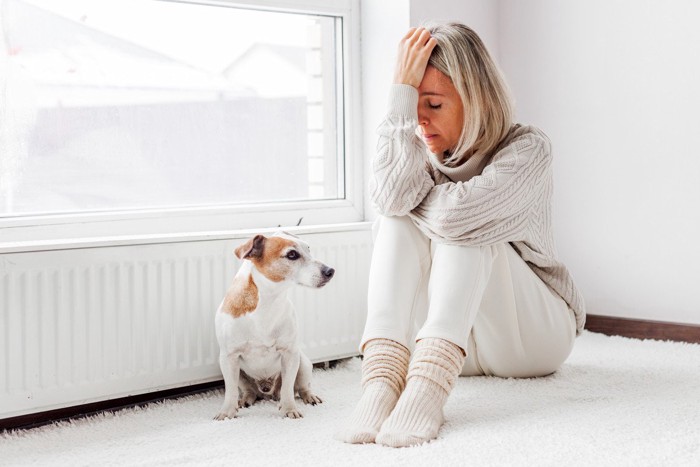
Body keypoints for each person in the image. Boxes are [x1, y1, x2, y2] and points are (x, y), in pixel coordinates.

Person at [336, 23, 585, 448]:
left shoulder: (527, 148)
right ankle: (381, 379)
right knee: (397, 216)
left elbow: (454, 218)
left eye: (432, 103)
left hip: (530, 338)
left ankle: (429, 387)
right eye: (412, 104)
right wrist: (399, 94)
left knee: (465, 223)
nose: (419, 120)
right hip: (455, 342)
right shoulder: (418, 149)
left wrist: (420, 200)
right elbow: (392, 202)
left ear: (476, 99)